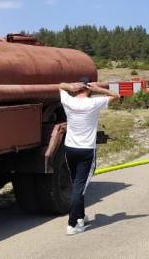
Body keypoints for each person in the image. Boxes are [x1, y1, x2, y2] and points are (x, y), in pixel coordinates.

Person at [59, 78, 119, 236]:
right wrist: (99, 89)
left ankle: (80, 216)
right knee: (79, 187)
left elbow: (60, 86)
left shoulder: (68, 101)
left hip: (70, 149)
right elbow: (117, 95)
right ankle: (72, 224)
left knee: (77, 184)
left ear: (77, 87)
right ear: (89, 89)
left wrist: (69, 86)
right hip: (86, 151)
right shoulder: (93, 103)